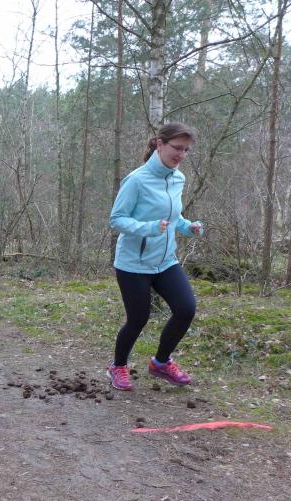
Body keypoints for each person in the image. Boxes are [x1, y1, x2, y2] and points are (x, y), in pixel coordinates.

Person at [107, 122, 204, 391]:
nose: (181, 155)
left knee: (186, 309)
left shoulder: (178, 178)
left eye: (186, 150)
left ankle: (161, 363)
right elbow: (117, 219)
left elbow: (173, 216)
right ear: (160, 144)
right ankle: (118, 366)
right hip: (133, 264)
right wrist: (148, 229)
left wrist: (188, 226)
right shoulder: (136, 180)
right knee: (138, 319)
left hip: (165, 261)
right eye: (177, 148)